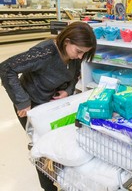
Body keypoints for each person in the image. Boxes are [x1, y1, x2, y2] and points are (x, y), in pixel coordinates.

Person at [0, 21, 97, 191]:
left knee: (58, 142)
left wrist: (67, 90)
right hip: (32, 105)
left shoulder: (73, 55)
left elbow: (74, 75)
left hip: (52, 104)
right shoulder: (44, 52)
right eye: (79, 52)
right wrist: (22, 101)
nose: (81, 57)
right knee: (42, 146)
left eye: (84, 54)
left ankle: (61, 178)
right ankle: (48, 187)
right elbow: (6, 68)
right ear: (66, 41)